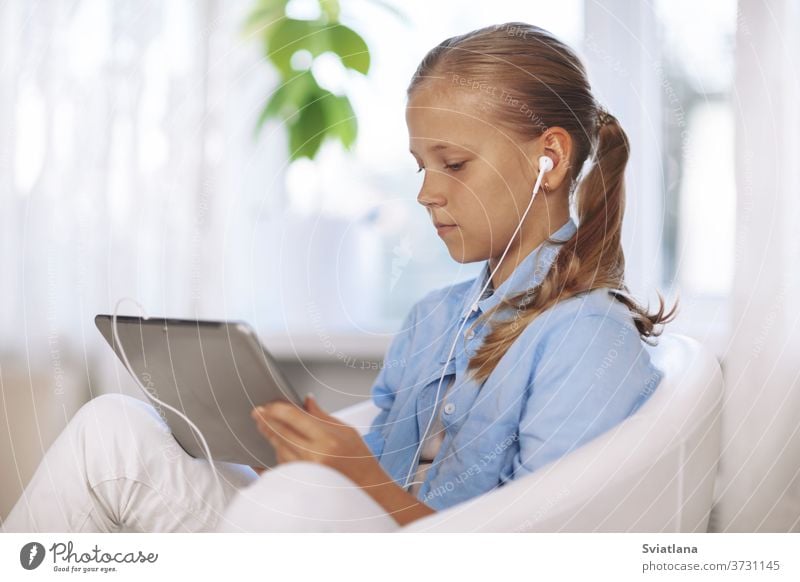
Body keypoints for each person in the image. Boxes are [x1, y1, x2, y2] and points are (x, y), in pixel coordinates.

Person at [2, 21, 676, 534]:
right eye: (420, 166)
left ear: (547, 160)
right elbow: (379, 466)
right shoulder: (437, 319)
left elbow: (539, 552)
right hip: (331, 530)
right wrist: (307, 453)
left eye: (454, 164)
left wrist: (348, 472)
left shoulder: (588, 337)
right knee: (113, 426)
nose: (425, 194)